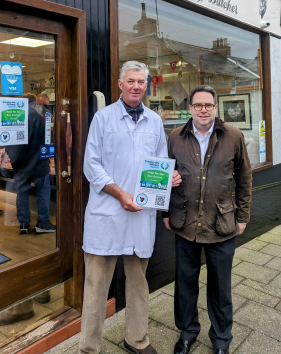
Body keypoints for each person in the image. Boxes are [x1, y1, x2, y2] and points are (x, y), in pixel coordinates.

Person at [79, 61, 181, 354]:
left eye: (142, 81)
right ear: (121, 85)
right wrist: (120, 193)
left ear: (146, 85)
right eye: (131, 81)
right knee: (96, 286)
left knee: (138, 284)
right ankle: (88, 347)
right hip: (107, 215)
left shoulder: (154, 121)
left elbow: (160, 163)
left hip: (141, 215)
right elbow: (91, 165)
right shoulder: (103, 118)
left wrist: (169, 177)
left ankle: (137, 339)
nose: (137, 86)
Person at [163, 85, 252, 354]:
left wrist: (243, 215)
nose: (203, 110)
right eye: (198, 105)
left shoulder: (233, 136)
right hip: (185, 221)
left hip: (221, 223)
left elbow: (244, 178)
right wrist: (164, 212)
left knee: (220, 286)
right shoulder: (175, 137)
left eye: (208, 105)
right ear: (189, 108)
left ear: (216, 108)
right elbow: (165, 175)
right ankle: (187, 333)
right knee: (186, 284)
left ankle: (221, 338)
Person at [6, 93, 56, 234]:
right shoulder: (45, 114)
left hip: (22, 164)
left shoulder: (17, 115)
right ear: (35, 102)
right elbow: (49, 138)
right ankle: (43, 222)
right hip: (40, 162)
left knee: (22, 193)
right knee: (43, 192)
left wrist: (15, 161)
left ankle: (24, 224)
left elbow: (10, 141)